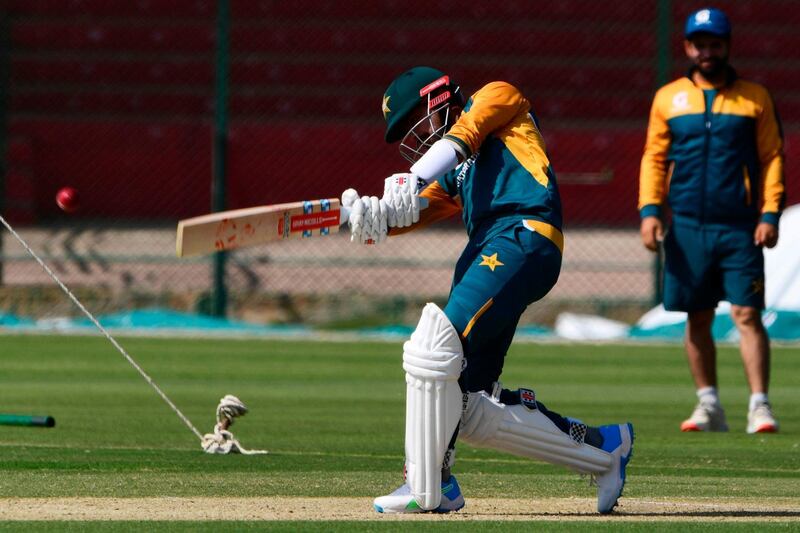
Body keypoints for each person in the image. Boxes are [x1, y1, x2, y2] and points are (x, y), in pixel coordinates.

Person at [341, 66, 634, 515]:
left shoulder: (498, 97)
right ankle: (603, 449)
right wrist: (372, 215)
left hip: (522, 233)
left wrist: (411, 177)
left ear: (436, 98)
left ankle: (426, 486)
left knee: (433, 345)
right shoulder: (458, 171)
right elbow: (416, 209)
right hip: (489, 251)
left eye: (411, 120)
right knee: (469, 399)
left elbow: (464, 135)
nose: (411, 135)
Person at [639, 8, 785, 434]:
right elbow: (654, 157)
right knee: (697, 316)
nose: (707, 51)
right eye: (699, 43)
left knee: (746, 313)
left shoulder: (754, 97)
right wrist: (650, 211)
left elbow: (772, 157)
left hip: (739, 225)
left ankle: (760, 405)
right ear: (687, 46)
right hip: (685, 226)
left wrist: (769, 212)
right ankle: (709, 405)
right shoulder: (668, 98)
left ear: (727, 46)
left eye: (715, 43)